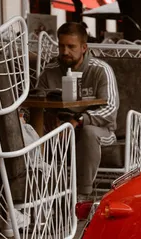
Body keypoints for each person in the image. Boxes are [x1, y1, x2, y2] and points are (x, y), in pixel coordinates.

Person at [37, 22, 119, 198]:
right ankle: (38, 193)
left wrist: (79, 120)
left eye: (71, 46)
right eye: (61, 46)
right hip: (58, 130)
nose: (65, 51)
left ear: (84, 47)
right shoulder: (50, 70)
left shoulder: (100, 70)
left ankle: (82, 195)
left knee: (88, 132)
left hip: (98, 131)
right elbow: (36, 102)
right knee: (29, 131)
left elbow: (110, 109)